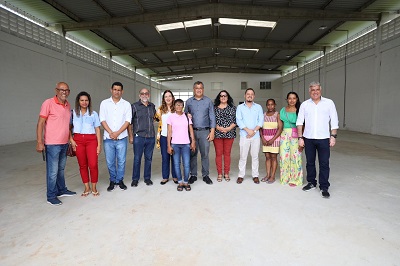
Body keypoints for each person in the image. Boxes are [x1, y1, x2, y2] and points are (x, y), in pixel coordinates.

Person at [36, 82, 76, 206]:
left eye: (66, 90)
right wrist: (39, 142)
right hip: (52, 144)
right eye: (61, 90)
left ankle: (62, 190)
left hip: (64, 143)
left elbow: (67, 126)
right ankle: (51, 196)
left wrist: (70, 139)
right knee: (52, 171)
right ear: (56, 90)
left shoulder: (67, 105)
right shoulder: (48, 103)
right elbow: (40, 123)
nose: (64, 92)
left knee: (61, 169)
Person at [297, 81, 339, 198]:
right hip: (308, 138)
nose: (315, 92)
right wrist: (300, 137)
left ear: (320, 90)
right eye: (312, 90)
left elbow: (334, 121)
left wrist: (333, 136)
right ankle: (311, 182)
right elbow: (300, 122)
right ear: (309, 91)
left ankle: (324, 186)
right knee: (310, 162)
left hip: (324, 139)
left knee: (324, 163)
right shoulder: (305, 105)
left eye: (317, 89)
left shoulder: (329, 103)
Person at [99, 82, 132, 192]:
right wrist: (111, 133)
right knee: (110, 161)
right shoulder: (104, 103)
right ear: (111, 90)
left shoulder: (126, 104)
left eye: (119, 90)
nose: (117, 91)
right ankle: (112, 180)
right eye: (115, 89)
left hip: (122, 138)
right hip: (108, 139)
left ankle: (120, 180)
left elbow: (128, 121)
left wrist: (117, 133)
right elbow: (102, 119)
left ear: (122, 91)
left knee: (121, 161)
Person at [69, 91, 101, 197]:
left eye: (86, 100)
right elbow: (68, 128)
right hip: (78, 140)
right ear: (78, 101)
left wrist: (99, 145)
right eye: (82, 100)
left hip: (91, 140)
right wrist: (72, 140)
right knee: (82, 165)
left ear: (89, 101)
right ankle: (86, 187)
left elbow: (97, 129)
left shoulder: (93, 114)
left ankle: (94, 186)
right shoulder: (72, 113)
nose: (84, 102)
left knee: (93, 164)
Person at [185, 81, 216, 185]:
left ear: (203, 89)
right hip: (192, 132)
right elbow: (184, 116)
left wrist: (212, 132)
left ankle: (205, 175)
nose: (199, 90)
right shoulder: (189, 101)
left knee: (205, 154)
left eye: (201, 88)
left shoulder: (208, 101)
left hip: (204, 131)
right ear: (193, 89)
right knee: (192, 153)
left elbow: (212, 117)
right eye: (197, 88)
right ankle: (193, 175)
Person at [129, 88, 156, 187]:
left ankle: (147, 178)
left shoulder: (152, 106)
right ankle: (135, 179)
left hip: (150, 137)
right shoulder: (134, 106)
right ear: (139, 95)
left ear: (148, 95)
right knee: (137, 158)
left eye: (146, 93)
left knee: (148, 158)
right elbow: (129, 123)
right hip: (139, 137)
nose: (144, 95)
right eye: (142, 93)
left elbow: (155, 119)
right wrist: (131, 136)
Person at [235, 88, 264, 184]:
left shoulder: (258, 107)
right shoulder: (240, 107)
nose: (250, 95)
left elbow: (261, 120)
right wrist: (248, 131)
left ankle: (255, 175)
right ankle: (241, 175)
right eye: (248, 94)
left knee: (255, 156)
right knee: (243, 156)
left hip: (255, 137)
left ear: (254, 96)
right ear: (245, 95)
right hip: (244, 136)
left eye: (252, 94)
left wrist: (254, 131)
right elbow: (239, 120)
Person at [167, 99, 196, 191]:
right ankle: (180, 182)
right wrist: (168, 145)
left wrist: (193, 141)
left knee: (186, 164)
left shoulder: (187, 117)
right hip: (175, 144)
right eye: (177, 105)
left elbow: (190, 130)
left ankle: (186, 182)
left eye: (180, 105)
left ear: (183, 106)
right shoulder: (171, 117)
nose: (179, 107)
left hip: (186, 144)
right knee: (176, 164)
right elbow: (169, 132)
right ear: (174, 106)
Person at [155, 90, 178, 185]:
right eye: (166, 96)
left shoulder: (177, 109)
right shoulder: (160, 110)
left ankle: (175, 176)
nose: (168, 98)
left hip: (176, 136)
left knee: (175, 157)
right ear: (164, 99)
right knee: (165, 157)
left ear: (172, 98)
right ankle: (165, 177)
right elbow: (155, 119)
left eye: (169, 96)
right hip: (164, 136)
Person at [279, 92, 303, 187]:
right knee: (284, 156)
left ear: (297, 99)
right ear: (287, 99)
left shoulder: (300, 110)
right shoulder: (282, 110)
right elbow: (280, 126)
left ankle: (295, 179)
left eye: (294, 98)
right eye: (290, 98)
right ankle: (285, 178)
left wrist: (302, 140)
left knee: (295, 157)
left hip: (297, 135)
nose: (292, 100)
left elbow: (304, 125)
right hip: (284, 135)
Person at [213, 90, 237, 182]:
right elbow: (211, 119)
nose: (223, 97)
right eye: (221, 96)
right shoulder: (214, 108)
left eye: (225, 96)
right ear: (219, 98)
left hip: (230, 134)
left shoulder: (233, 108)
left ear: (228, 97)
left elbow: (236, 120)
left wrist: (228, 128)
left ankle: (226, 173)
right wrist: (217, 127)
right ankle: (219, 173)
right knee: (218, 154)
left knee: (227, 154)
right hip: (217, 134)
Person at [261, 99, 283, 184]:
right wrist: (262, 138)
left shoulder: (277, 115)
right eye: (268, 105)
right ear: (266, 105)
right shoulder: (263, 115)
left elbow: (280, 128)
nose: (270, 106)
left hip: (275, 139)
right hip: (265, 140)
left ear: (275, 105)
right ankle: (267, 175)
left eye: (272, 104)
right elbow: (260, 128)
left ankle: (272, 176)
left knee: (273, 157)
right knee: (267, 157)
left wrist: (272, 140)